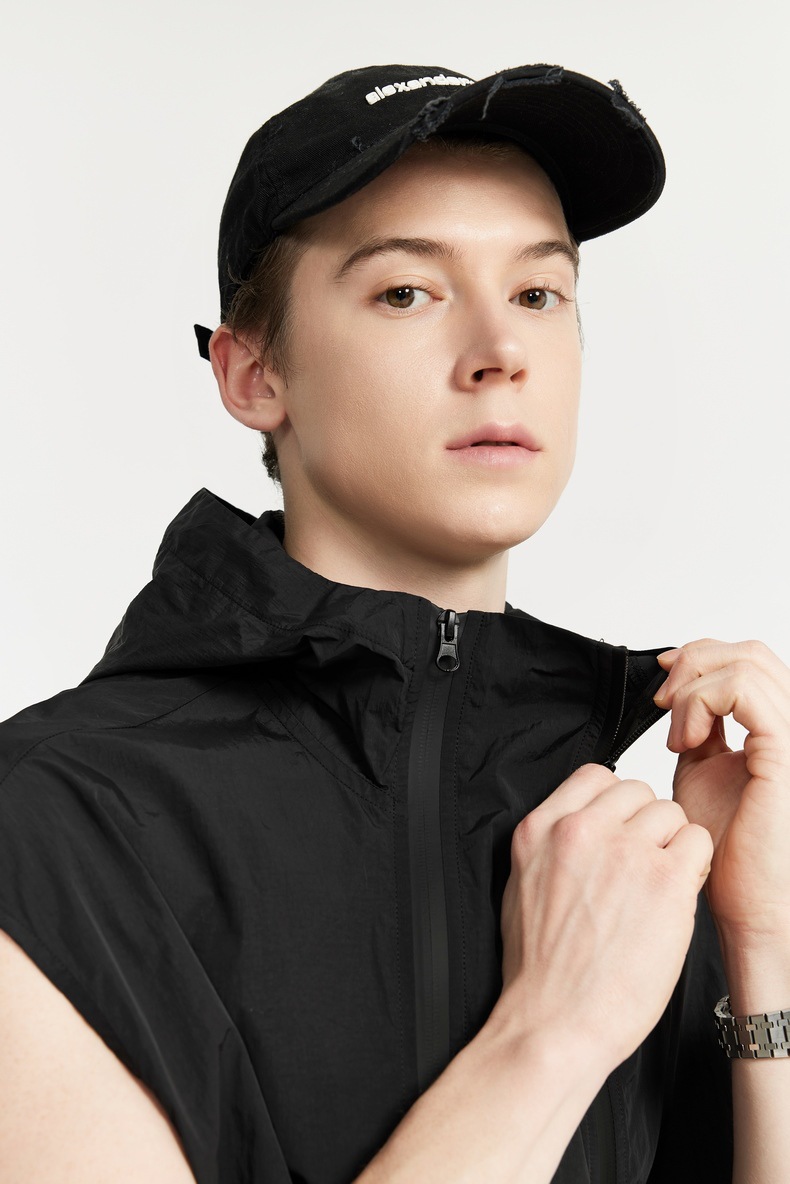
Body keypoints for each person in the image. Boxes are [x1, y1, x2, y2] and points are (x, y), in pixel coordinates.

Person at [2, 60, 790, 1184]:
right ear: (253, 374)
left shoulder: (627, 838)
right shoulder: (55, 825)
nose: (500, 351)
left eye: (538, 293)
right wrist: (550, 1032)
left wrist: (763, 944)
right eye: (408, 292)